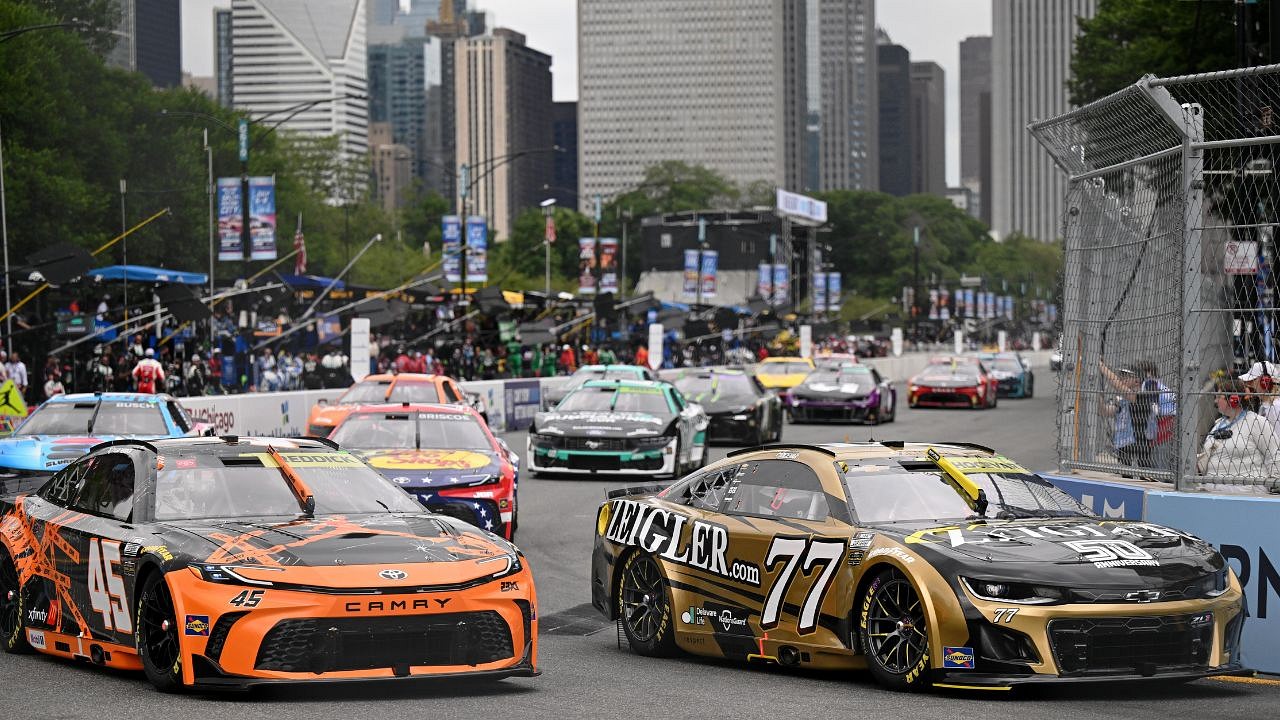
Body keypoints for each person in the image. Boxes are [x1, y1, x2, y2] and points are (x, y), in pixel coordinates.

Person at [1197, 379, 1280, 490]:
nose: (1215, 402)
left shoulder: (1256, 422)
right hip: (1213, 493)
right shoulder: (1218, 424)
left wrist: (1274, 486)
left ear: (1233, 400)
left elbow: (1274, 454)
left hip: (1246, 494)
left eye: (1218, 397)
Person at [1239, 360, 1280, 436]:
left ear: (1265, 382)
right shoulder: (1265, 406)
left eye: (1252, 381)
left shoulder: (1276, 407)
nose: (1248, 385)